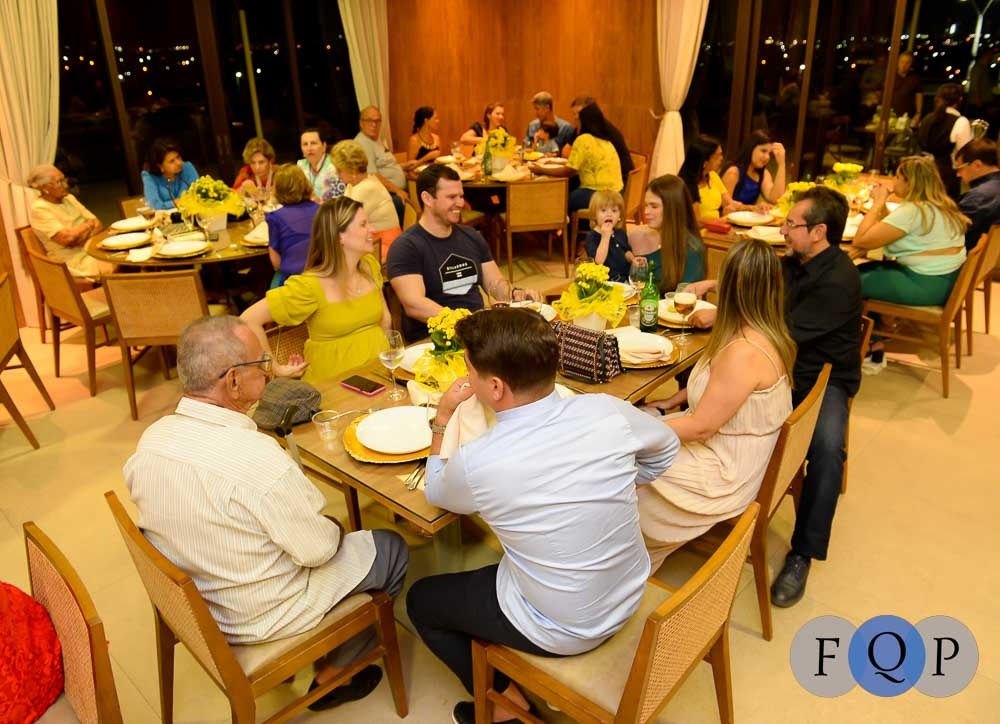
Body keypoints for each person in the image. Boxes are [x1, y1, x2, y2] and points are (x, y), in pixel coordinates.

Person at [406, 308, 679, 724]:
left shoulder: (482, 460)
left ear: (495, 387)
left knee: (421, 601)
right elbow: (667, 448)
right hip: (627, 589)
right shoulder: (606, 410)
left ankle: (504, 709)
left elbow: (437, 491)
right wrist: (619, 479)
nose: (467, 377)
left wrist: (442, 419)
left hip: (567, 627)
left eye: (469, 370)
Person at [124, 314, 408, 711]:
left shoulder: (152, 439)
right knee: (389, 548)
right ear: (233, 381)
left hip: (200, 604)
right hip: (258, 615)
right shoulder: (257, 458)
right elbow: (317, 551)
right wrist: (331, 526)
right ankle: (336, 673)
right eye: (262, 363)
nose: (269, 372)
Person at [686, 187, 862, 608]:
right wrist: (717, 283)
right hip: (780, 366)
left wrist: (722, 313)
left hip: (819, 379)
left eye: (791, 224)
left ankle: (803, 553)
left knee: (826, 451)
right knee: (708, 381)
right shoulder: (796, 260)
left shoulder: (838, 281)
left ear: (819, 232)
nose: (783, 230)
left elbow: (780, 333)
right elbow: (762, 284)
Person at [638, 239, 794, 569]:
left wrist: (633, 435)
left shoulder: (743, 352)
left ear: (731, 288)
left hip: (724, 472)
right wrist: (670, 402)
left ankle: (613, 556)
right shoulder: (767, 333)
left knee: (616, 462)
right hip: (734, 452)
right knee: (634, 426)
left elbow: (700, 427)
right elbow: (722, 393)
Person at [241, 197, 391, 383]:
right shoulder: (309, 286)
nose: (372, 229)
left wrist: (391, 362)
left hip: (379, 374)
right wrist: (275, 368)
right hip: (335, 385)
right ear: (339, 236)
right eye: (363, 224)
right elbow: (248, 319)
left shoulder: (369, 266)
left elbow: (385, 320)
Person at [386, 164, 506, 342]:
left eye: (461, 196)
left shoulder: (471, 236)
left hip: (477, 332)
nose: (460, 203)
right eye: (451, 197)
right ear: (427, 199)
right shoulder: (406, 246)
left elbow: (495, 285)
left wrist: (515, 294)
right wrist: (464, 323)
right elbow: (414, 305)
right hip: (435, 339)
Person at [852, 154, 969, 309]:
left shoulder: (913, 211)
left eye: (897, 177)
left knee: (843, 281)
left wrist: (878, 202)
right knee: (856, 271)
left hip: (924, 285)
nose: (893, 181)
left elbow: (861, 241)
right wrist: (882, 205)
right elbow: (892, 227)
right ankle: (871, 318)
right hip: (944, 280)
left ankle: (856, 322)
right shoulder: (939, 204)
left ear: (909, 182)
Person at [531, 103, 628, 214]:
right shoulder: (605, 141)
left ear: (583, 122)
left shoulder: (583, 139)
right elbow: (583, 164)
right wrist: (554, 163)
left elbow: (570, 171)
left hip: (598, 193)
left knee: (559, 202)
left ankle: (561, 224)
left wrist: (541, 169)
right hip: (617, 192)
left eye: (577, 119)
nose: (575, 123)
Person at [628, 174, 706, 292]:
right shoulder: (638, 235)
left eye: (654, 206)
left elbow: (686, 298)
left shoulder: (692, 251)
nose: (646, 212)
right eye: (646, 205)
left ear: (673, 207)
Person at [26, 164, 106, 279]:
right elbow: (68, 239)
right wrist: (88, 225)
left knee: (125, 254)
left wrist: (80, 239)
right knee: (117, 265)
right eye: (59, 182)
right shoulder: (40, 209)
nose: (66, 185)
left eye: (64, 180)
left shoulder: (69, 199)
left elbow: (98, 224)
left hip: (91, 249)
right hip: (73, 262)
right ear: (45, 188)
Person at [330, 139, 402, 259]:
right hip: (371, 241)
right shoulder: (355, 184)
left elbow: (344, 223)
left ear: (352, 170)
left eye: (339, 170)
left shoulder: (366, 188)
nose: (337, 174)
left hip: (383, 247)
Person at [264, 164, 319, 287]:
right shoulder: (321, 210)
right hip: (324, 275)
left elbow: (276, 263)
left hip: (294, 280)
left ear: (277, 189)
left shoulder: (275, 218)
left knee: (273, 288)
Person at [353, 105, 410, 224]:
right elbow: (372, 175)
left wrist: (405, 165)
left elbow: (385, 165)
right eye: (369, 120)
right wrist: (397, 190)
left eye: (377, 121)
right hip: (385, 194)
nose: (374, 124)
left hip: (394, 189)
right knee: (402, 204)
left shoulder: (376, 139)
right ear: (361, 123)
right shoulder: (363, 143)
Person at [917, 83, 973, 199]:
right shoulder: (961, 122)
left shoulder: (927, 118)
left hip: (921, 170)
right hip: (945, 177)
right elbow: (965, 153)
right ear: (960, 100)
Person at [721, 131, 787, 209]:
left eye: (769, 153)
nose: (767, 157)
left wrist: (781, 165)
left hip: (750, 216)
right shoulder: (733, 172)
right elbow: (726, 207)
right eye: (763, 151)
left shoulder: (764, 174)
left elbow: (776, 199)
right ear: (751, 148)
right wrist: (753, 208)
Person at [954, 138, 1000, 251]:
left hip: (972, 256)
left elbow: (951, 232)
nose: (958, 174)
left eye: (960, 168)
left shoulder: (977, 198)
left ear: (977, 165)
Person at [678, 135, 735, 221]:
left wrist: (751, 208)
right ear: (705, 162)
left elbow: (728, 203)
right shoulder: (686, 183)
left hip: (717, 225)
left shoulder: (712, 175)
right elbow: (696, 221)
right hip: (701, 229)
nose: (722, 158)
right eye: (718, 156)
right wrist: (722, 220)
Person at [584, 189, 631, 281]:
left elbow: (626, 251)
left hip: (625, 279)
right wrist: (605, 237)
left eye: (614, 211)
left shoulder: (620, 232)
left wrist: (633, 259)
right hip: (606, 281)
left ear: (619, 216)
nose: (609, 214)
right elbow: (598, 262)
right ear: (594, 215)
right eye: (603, 210)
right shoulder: (592, 236)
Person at [141, 138, 199, 210]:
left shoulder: (187, 167)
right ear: (160, 166)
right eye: (172, 161)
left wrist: (168, 204)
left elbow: (199, 196)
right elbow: (154, 206)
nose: (179, 163)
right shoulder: (149, 177)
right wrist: (177, 202)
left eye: (178, 157)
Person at [298, 128, 344, 202]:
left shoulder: (335, 165)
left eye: (313, 143)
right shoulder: (300, 166)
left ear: (324, 146)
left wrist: (319, 202)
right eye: (305, 144)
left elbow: (339, 201)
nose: (309, 148)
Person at [890, 51, 923, 122]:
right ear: (898, 62)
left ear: (911, 64)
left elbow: (919, 95)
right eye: (902, 62)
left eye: (907, 62)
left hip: (907, 116)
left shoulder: (915, 79)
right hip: (890, 115)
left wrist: (918, 113)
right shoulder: (890, 77)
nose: (904, 65)